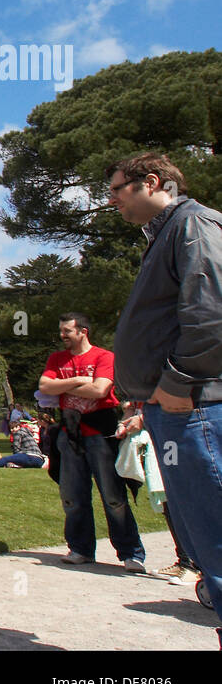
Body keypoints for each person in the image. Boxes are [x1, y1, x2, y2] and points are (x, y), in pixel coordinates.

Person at [107, 153, 222, 630]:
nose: (111, 200)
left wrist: (177, 383)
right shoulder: (166, 235)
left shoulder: (194, 226)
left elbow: (212, 314)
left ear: (150, 182)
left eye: (116, 190)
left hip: (193, 407)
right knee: (200, 535)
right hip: (171, 411)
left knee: (215, 534)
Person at [40, 311, 146, 571]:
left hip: (101, 432)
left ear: (82, 331)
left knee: (113, 496)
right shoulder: (57, 358)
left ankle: (130, 552)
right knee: (73, 496)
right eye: (61, 330)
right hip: (70, 434)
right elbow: (44, 386)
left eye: (67, 331)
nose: (62, 335)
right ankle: (80, 548)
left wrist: (61, 385)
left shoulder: (104, 356)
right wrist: (79, 380)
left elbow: (101, 389)